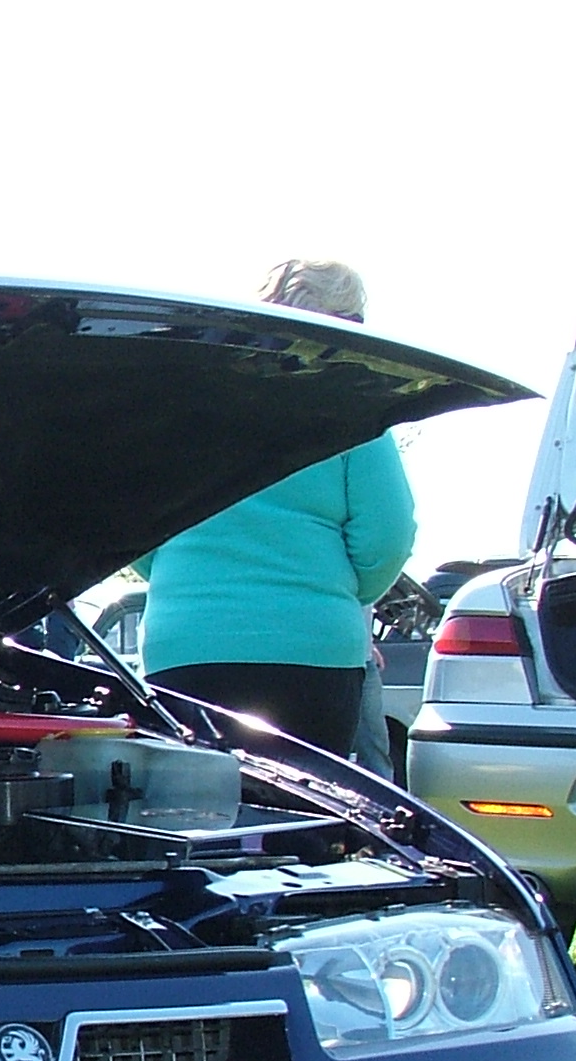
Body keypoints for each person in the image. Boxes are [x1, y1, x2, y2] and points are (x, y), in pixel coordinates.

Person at [136, 259, 416, 756]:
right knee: (304, 800)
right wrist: (343, 592)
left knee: (193, 799)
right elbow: (388, 533)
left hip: (184, 644)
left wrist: (179, 577)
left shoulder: (179, 405)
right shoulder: (354, 410)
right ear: (346, 326)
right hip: (313, 650)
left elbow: (132, 522)